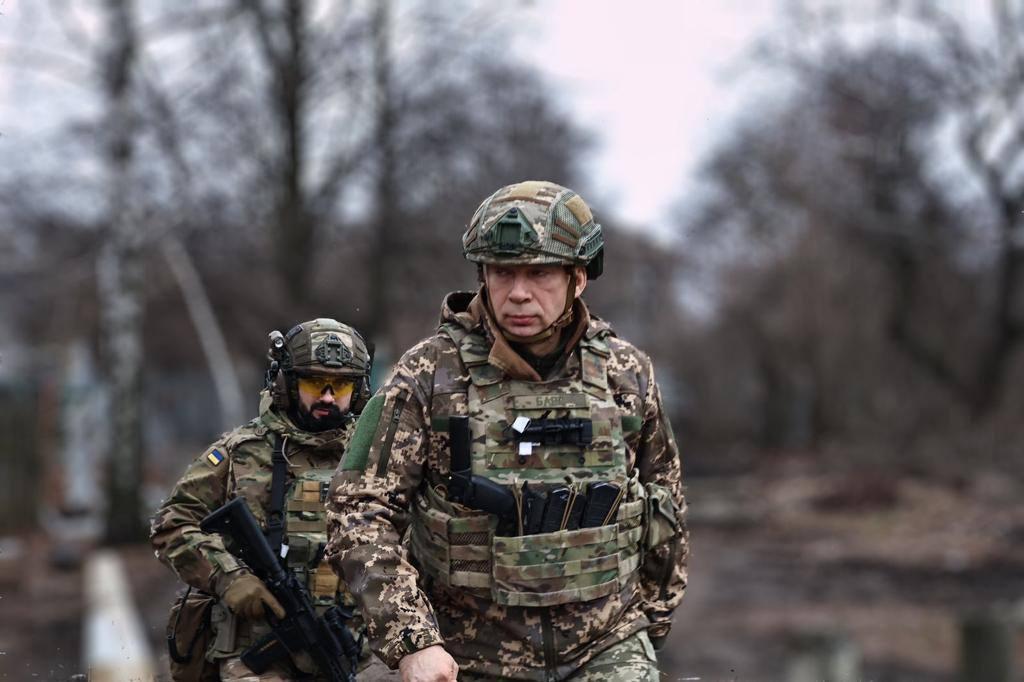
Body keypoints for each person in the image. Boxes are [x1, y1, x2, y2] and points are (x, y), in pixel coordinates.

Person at [325, 181, 688, 681]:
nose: (518, 292)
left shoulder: (625, 374)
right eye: (502, 273)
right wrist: (412, 640)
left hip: (606, 643)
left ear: (578, 278)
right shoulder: (426, 376)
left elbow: (664, 502)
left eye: (538, 273)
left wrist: (651, 625)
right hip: (464, 654)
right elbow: (358, 511)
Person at [151, 318, 390, 680]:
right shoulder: (240, 452)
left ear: (358, 391)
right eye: (314, 383)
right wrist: (227, 578)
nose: (327, 397)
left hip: (356, 652)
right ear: (287, 384)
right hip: (254, 653)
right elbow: (171, 524)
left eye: (340, 386)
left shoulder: (379, 457)